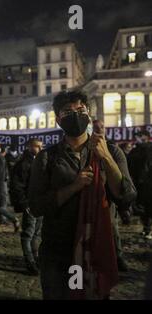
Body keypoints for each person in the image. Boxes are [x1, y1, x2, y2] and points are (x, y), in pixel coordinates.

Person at [29, 90, 136, 299]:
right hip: (60, 252)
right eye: (67, 112)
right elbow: (36, 205)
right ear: (58, 119)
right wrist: (73, 187)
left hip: (97, 247)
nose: (75, 115)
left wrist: (106, 158)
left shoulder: (112, 151)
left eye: (80, 110)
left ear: (89, 114)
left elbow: (126, 196)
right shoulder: (46, 157)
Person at [92, 119, 129, 271]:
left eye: (102, 127)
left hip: (107, 195)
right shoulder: (86, 148)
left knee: (112, 227)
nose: (100, 129)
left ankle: (117, 256)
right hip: (90, 193)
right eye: (96, 127)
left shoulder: (113, 149)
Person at [10, 138, 43, 276]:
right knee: (28, 235)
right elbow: (17, 186)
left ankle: (35, 260)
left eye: (41, 147)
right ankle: (30, 262)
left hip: (39, 203)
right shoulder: (24, 163)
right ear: (30, 146)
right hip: (30, 204)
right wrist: (25, 204)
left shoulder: (38, 161)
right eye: (37, 146)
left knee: (36, 233)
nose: (40, 149)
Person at [127, 130, 152, 239]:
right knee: (143, 208)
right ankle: (146, 228)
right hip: (139, 184)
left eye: (140, 136)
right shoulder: (135, 151)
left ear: (146, 137)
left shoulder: (149, 149)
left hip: (149, 183)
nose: (138, 138)